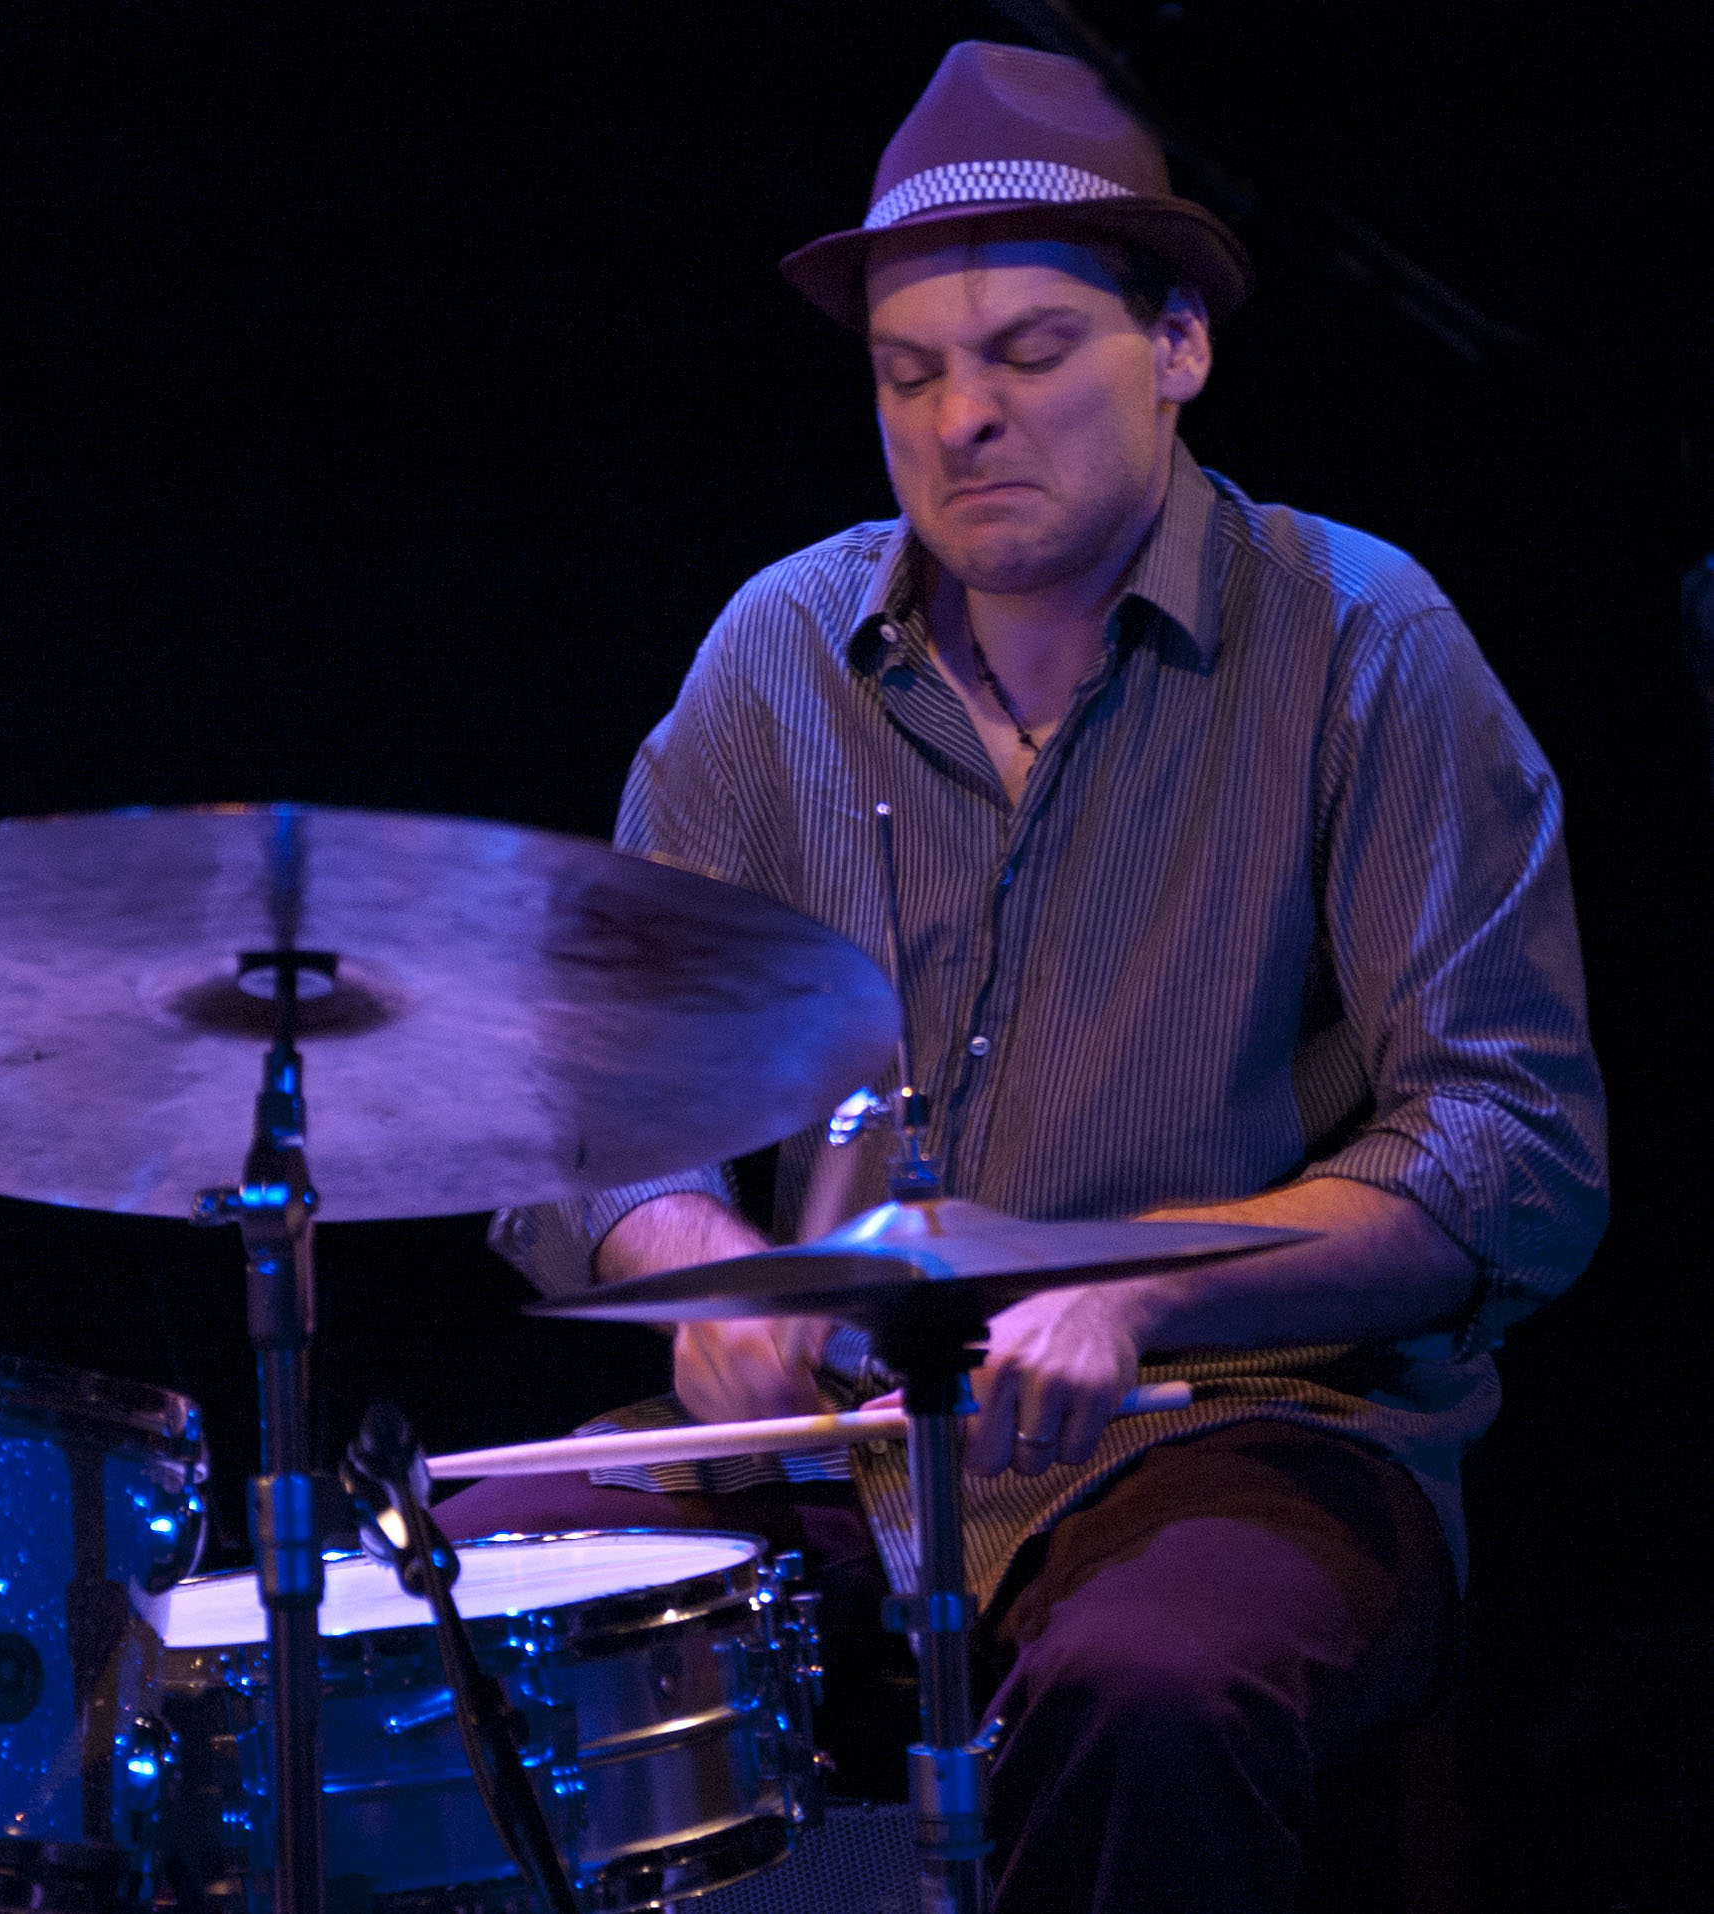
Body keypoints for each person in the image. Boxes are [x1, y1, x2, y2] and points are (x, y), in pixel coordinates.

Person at [440, 40, 1606, 1914]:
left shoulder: (1367, 641)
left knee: (1145, 1688)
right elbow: (588, 1096)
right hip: (828, 1447)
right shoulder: (776, 656)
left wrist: (1141, 1285)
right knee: (454, 1603)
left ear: (1178, 349)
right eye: (910, 375)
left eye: (1028, 355)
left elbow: (1512, 1148)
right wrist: (691, 1270)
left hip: (1245, 1428)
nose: (960, 416)